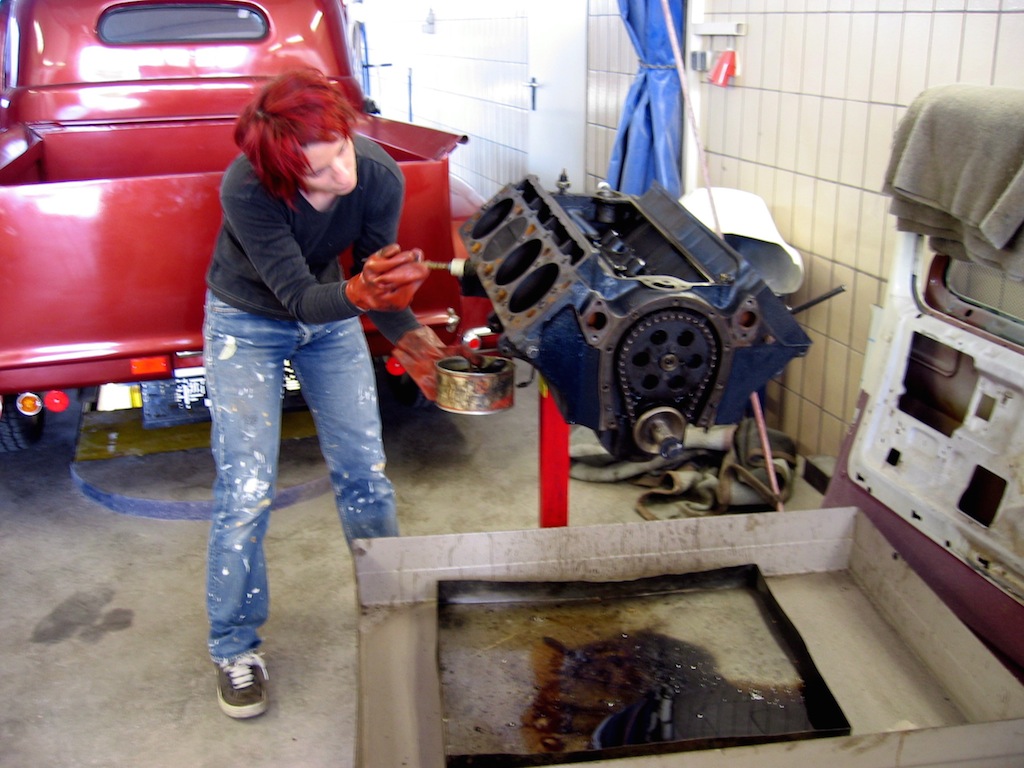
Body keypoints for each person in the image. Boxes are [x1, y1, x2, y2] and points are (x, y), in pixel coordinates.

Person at [202, 67, 447, 719]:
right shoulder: (248, 188)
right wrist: (360, 294)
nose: (343, 175)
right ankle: (233, 647)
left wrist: (411, 336)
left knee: (365, 472)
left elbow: (378, 279)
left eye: (342, 150)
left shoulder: (376, 173)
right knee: (247, 490)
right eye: (320, 171)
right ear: (284, 175)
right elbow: (298, 297)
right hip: (247, 319)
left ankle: (394, 611)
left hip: (333, 312)